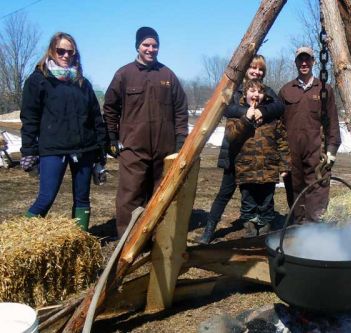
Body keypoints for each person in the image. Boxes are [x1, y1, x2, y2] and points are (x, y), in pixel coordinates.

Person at [103, 27, 188, 237]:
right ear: (137, 46)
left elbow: (180, 108)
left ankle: (156, 237)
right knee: (131, 194)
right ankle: (128, 238)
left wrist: (180, 139)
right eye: (146, 45)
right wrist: (111, 137)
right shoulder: (124, 74)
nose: (151, 49)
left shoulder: (167, 75)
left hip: (164, 149)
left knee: (160, 195)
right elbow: (110, 108)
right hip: (133, 148)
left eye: (154, 45)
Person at [20, 32, 108, 231]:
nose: (66, 55)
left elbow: (96, 117)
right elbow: (30, 118)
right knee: (46, 198)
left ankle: (80, 241)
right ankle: (17, 240)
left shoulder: (82, 83)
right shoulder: (38, 80)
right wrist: (28, 151)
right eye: (61, 51)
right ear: (52, 51)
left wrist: (101, 151)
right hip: (53, 149)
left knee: (82, 199)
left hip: (84, 149)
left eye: (71, 52)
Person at [199, 55, 284, 244]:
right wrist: (245, 112)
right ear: (246, 69)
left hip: (256, 154)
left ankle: (259, 223)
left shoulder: (266, 92)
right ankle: (209, 230)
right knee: (225, 192)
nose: (256, 72)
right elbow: (226, 109)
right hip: (234, 150)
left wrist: (263, 111)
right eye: (253, 67)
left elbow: (279, 107)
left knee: (258, 192)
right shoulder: (235, 91)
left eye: (260, 69)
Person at [279, 46, 341, 223]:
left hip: (317, 151)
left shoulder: (324, 89)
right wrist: (281, 156)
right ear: (296, 62)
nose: (304, 63)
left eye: (308, 59)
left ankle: (315, 230)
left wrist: (332, 150)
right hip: (293, 153)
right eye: (300, 59)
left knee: (317, 189)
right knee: (295, 189)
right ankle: (298, 227)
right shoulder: (286, 90)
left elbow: (332, 123)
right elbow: (279, 126)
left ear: (314, 61)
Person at [226, 79, 290, 237]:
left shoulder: (270, 115)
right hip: (246, 167)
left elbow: (282, 141)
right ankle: (250, 224)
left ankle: (265, 224)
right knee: (248, 201)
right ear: (245, 94)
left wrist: (285, 165)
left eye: (260, 92)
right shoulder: (237, 114)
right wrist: (246, 119)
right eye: (252, 91)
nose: (256, 95)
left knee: (267, 201)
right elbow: (231, 137)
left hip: (268, 167)